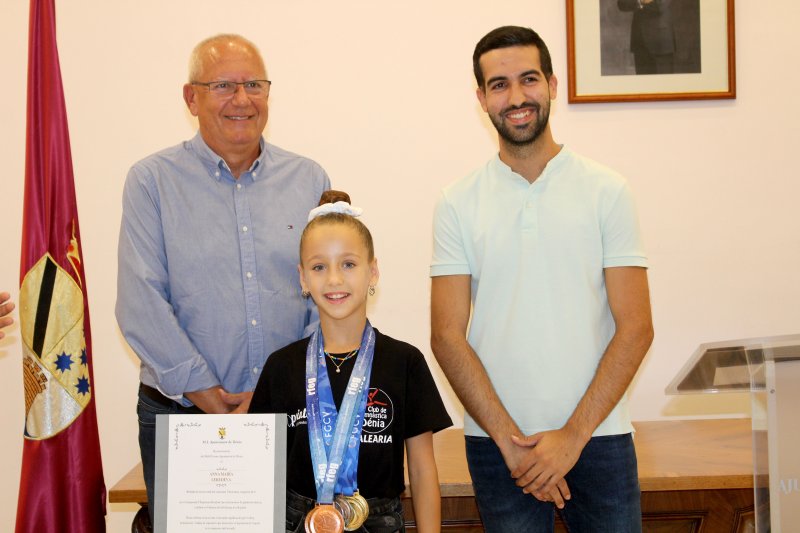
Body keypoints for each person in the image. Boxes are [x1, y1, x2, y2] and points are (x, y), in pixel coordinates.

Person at [430, 26, 654, 532]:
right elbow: (446, 335)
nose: (516, 97)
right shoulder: (457, 202)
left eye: (528, 79)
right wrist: (513, 444)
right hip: (497, 447)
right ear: (482, 98)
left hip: (599, 439)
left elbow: (636, 326)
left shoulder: (607, 190)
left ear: (552, 84)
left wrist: (572, 438)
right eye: (499, 84)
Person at [116, 34, 331, 526]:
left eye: (254, 84)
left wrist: (270, 391)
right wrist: (209, 395)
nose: (242, 99)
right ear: (191, 97)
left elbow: (329, 299)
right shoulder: (151, 181)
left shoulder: (309, 179)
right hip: (180, 414)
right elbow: (139, 301)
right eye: (223, 85)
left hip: (288, 413)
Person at [250, 191, 452, 533]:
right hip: (298, 522)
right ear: (302, 277)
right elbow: (258, 471)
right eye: (318, 266)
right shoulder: (281, 367)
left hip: (380, 521)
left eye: (348, 264)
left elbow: (421, 469)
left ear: (372, 271)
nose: (334, 279)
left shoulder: (405, 362)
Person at [618, 0, 676, 74]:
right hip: (639, 41)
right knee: (643, 84)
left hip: (661, 42)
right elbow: (621, 3)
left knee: (663, 84)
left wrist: (638, 2)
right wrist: (641, 2)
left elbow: (659, 5)